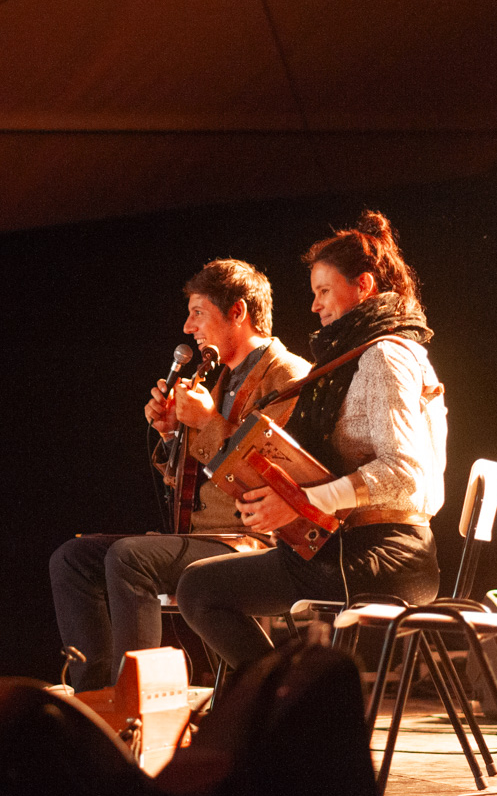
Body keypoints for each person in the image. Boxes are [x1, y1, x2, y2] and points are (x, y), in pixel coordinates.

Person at [176, 211, 447, 670]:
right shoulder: (365, 354)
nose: (315, 305)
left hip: (385, 555)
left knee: (199, 590)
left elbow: (405, 474)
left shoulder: (385, 356)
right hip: (363, 545)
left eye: (324, 291)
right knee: (200, 585)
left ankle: (283, 698)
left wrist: (301, 502)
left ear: (363, 287)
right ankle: (287, 695)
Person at [50, 259, 308, 691]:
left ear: (238, 312)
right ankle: (95, 700)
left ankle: (137, 703)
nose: (189, 327)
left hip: (252, 540)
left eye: (198, 313)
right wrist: (172, 433)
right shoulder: (222, 378)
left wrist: (206, 422)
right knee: (71, 558)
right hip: (203, 537)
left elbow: (272, 474)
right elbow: (191, 480)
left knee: (129, 558)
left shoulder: (287, 375)